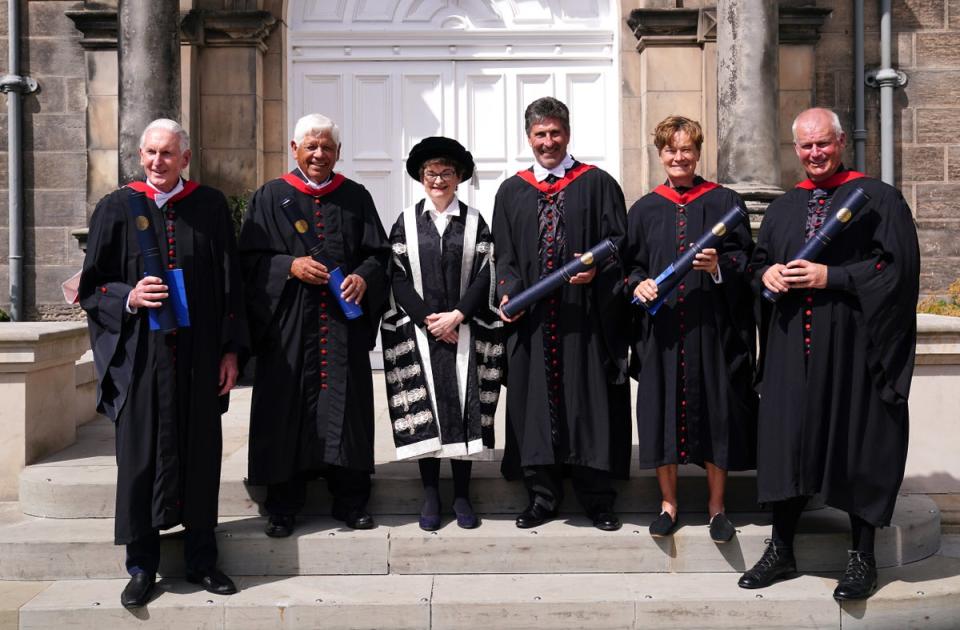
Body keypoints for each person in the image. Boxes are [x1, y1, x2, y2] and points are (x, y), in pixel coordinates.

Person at [739, 107, 920, 600]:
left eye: (823, 143)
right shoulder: (782, 209)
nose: (815, 153)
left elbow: (897, 269)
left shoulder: (878, 198)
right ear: (795, 149)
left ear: (841, 142)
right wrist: (766, 276)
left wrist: (832, 277)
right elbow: (756, 267)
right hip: (790, 350)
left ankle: (862, 558)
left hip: (853, 350)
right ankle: (781, 550)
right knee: (787, 443)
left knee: (857, 444)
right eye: (806, 146)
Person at [80, 118, 247, 608]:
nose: (157, 162)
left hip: (198, 358)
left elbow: (230, 282)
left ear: (185, 159)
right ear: (140, 154)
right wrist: (129, 296)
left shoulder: (209, 206)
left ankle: (201, 560)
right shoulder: (115, 207)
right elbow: (93, 286)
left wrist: (232, 351)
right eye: (150, 153)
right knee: (138, 462)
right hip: (141, 360)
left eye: (167, 154)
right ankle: (141, 566)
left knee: (200, 456)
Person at [239, 113, 390, 538]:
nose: (319, 154)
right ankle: (283, 505)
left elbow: (379, 255)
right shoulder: (270, 197)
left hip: (342, 326)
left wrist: (364, 277)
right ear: (294, 149)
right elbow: (248, 261)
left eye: (326, 147)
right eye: (311, 146)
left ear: (338, 152)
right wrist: (289, 266)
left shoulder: (356, 197)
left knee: (346, 409)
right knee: (285, 409)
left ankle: (351, 500)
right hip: (288, 327)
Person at [492, 96, 631, 532]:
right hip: (534, 321)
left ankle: (598, 499)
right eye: (539, 134)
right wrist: (508, 291)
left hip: (583, 319)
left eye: (554, 133)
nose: (547, 142)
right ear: (528, 137)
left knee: (588, 403)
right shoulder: (512, 190)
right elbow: (505, 255)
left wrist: (598, 273)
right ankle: (541, 497)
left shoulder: (597, 184)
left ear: (567, 134)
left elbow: (620, 245)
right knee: (534, 405)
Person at [625, 116, 757, 543]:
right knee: (661, 414)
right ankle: (669, 504)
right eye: (670, 150)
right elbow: (629, 266)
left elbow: (747, 260)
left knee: (716, 414)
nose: (678, 157)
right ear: (660, 154)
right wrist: (636, 283)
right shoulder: (644, 209)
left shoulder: (725, 202)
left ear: (698, 152)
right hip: (662, 334)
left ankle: (717, 506)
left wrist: (720, 268)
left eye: (686, 149)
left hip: (711, 330)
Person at [381, 136, 503, 530]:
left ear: (459, 177)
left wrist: (458, 316)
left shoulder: (474, 222)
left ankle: (463, 495)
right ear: (421, 177)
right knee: (427, 411)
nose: (438, 180)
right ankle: (431, 493)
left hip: (463, 329)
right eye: (431, 173)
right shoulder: (405, 222)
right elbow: (395, 277)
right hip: (421, 333)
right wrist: (428, 320)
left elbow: (488, 273)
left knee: (466, 410)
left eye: (446, 173)